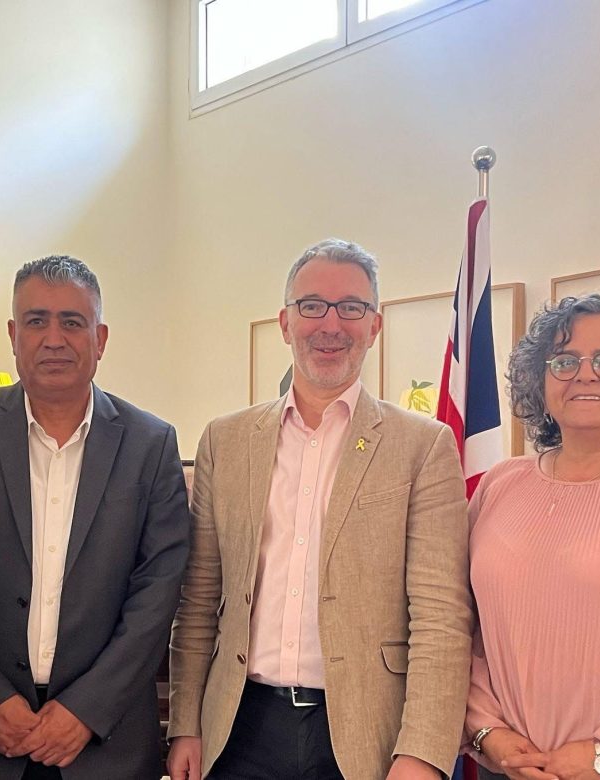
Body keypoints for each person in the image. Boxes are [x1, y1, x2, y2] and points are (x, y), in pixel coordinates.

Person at [167, 238, 473, 780]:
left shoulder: (422, 446)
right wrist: (185, 723)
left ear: (374, 326)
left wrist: (423, 753)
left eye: (351, 307)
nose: (331, 324)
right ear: (286, 323)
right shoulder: (225, 441)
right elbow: (199, 600)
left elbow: (440, 617)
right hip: (237, 731)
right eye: (312, 306)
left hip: (367, 736)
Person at [0, 255, 191, 780]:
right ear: (13, 335)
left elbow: (158, 591)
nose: (54, 339)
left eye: (72, 322)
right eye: (36, 320)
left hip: (104, 747)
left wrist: (87, 709)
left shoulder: (151, 444)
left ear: (100, 339)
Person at [465, 293, 600, 780]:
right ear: (539, 380)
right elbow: (458, 627)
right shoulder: (500, 484)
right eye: (564, 361)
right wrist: (486, 731)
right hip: (506, 767)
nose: (585, 374)